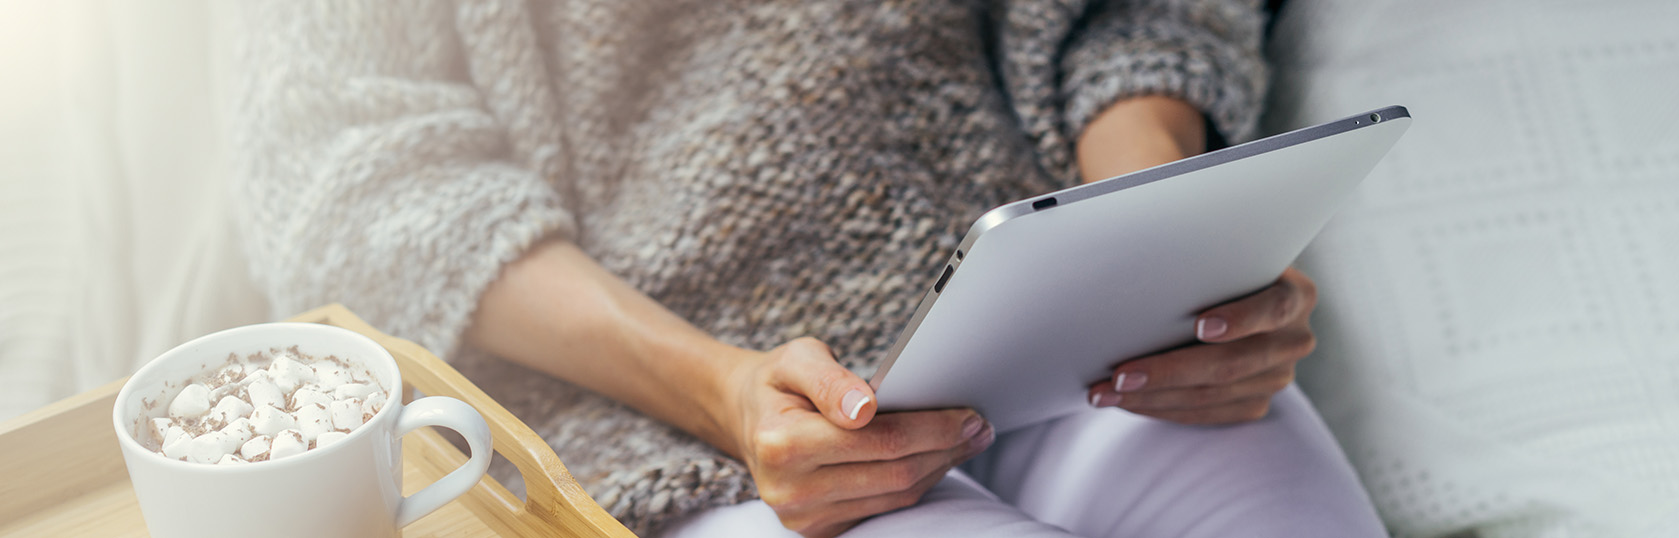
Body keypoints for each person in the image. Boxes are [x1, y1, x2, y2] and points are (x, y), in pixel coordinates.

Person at [232, 1, 1384, 536]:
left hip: (1052, 316)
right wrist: (722, 394)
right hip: (667, 423)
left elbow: (1141, 16)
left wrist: (1156, 235)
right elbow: (361, 172)